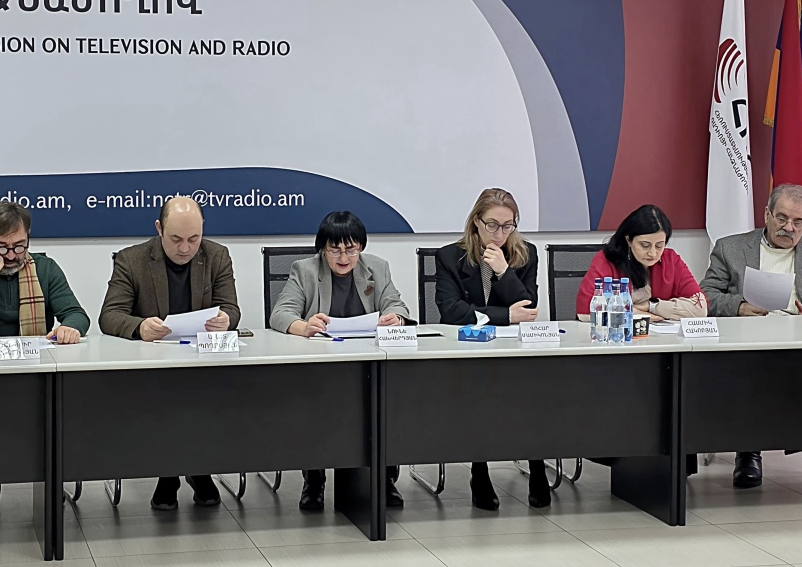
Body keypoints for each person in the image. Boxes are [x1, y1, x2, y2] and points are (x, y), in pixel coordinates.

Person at [699, 183, 802, 489]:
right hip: (746, 340)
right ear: (767, 214)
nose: (789, 228)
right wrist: (739, 306)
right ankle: (748, 452)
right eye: (782, 218)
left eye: (798, 222)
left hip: (800, 341)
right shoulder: (730, 248)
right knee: (752, 372)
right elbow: (705, 296)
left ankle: (792, 433)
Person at [99, 196, 241, 510]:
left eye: (194, 239)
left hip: (203, 365)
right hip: (153, 369)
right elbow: (109, 316)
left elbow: (231, 308)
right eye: (176, 239)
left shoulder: (217, 256)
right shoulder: (131, 260)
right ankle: (171, 474)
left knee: (207, 395)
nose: (185, 248)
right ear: (159, 228)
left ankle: (196, 468)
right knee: (174, 396)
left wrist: (226, 320)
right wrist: (139, 327)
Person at [0, 201, 91, 507]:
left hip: (35, 371)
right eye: (1, 247)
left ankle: (49, 470)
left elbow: (77, 314)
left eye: (19, 246)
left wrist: (70, 327)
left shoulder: (45, 268)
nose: (12, 255)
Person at [270, 211, 410, 512]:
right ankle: (314, 479)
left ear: (361, 247)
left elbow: (397, 305)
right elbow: (280, 314)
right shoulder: (305, 270)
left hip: (367, 366)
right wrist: (303, 326)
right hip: (321, 369)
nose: (344, 257)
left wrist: (395, 318)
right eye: (335, 250)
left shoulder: (377, 268)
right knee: (314, 405)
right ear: (323, 249)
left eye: (351, 249)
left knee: (389, 400)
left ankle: (384, 478)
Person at [433, 188, 550, 510]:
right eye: (492, 225)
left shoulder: (525, 253)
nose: (500, 234)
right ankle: (479, 471)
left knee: (534, 395)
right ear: (476, 222)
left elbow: (528, 307)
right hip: (468, 352)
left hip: (515, 351)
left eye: (508, 226)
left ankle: (538, 466)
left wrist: (503, 271)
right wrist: (504, 316)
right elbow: (451, 312)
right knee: (479, 396)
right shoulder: (449, 257)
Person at [575, 204, 707, 322]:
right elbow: (585, 311)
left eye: (659, 245)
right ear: (629, 240)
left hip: (660, 338)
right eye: (645, 245)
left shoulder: (671, 260)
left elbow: (700, 308)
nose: (653, 253)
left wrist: (652, 306)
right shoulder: (606, 260)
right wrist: (636, 313)